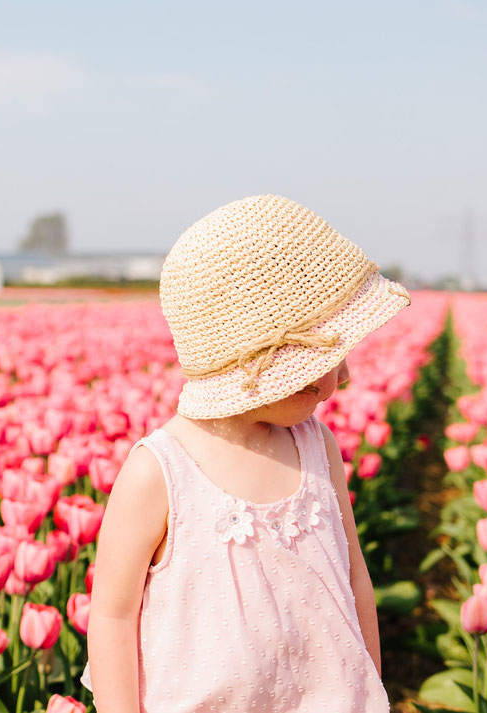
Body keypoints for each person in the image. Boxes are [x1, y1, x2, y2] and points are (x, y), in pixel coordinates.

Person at [84, 194, 411, 712]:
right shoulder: (161, 472)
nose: (343, 378)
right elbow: (112, 617)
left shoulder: (318, 446)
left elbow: (353, 579)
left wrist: (370, 693)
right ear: (263, 361)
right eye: (324, 360)